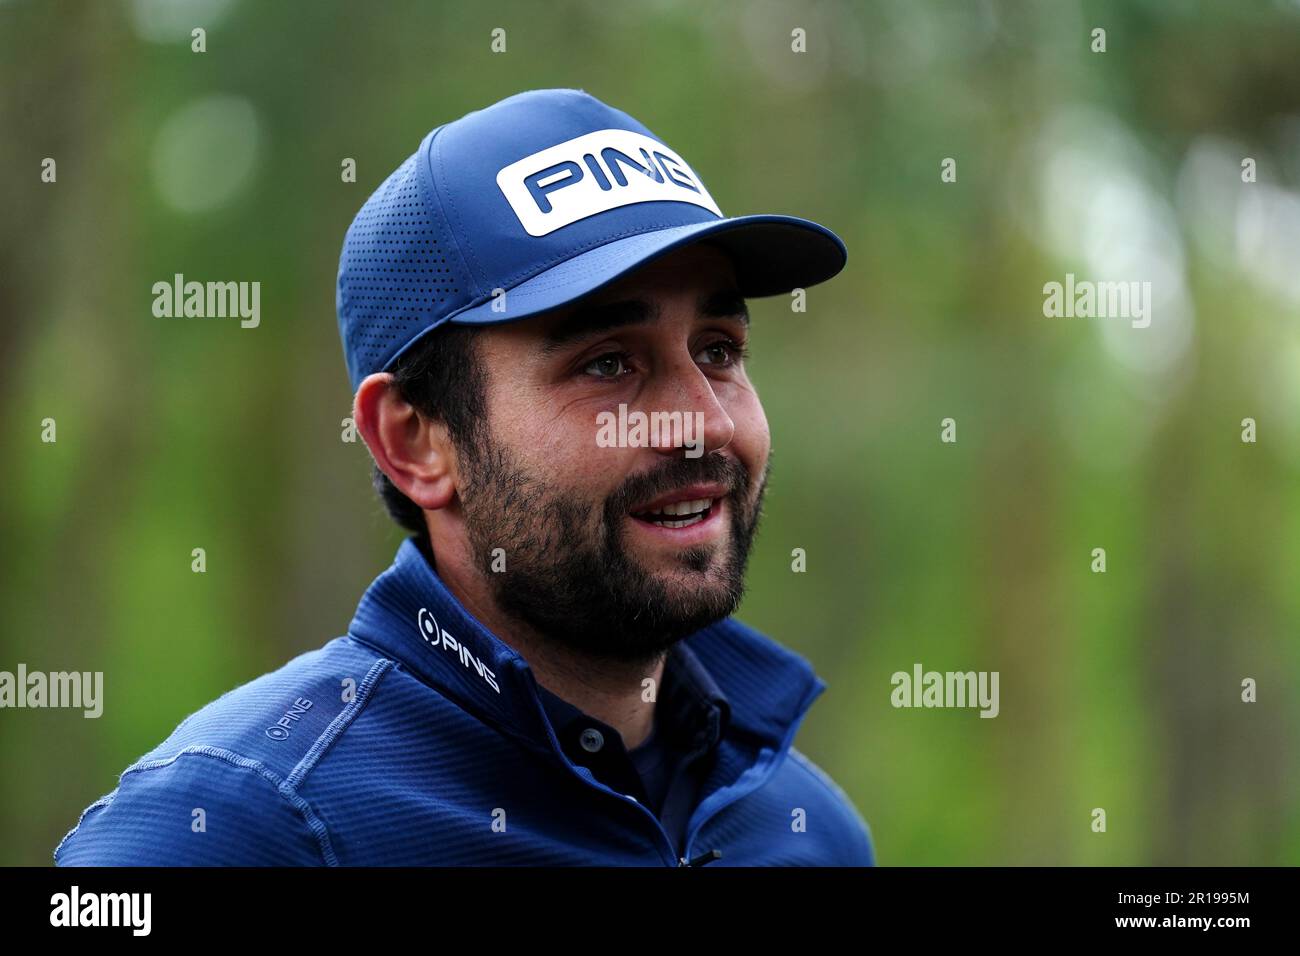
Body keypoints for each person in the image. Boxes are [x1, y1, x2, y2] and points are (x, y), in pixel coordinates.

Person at [54, 88, 874, 866]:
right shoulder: (243, 826)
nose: (704, 423)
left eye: (719, 351)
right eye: (609, 363)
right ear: (414, 442)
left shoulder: (807, 830)